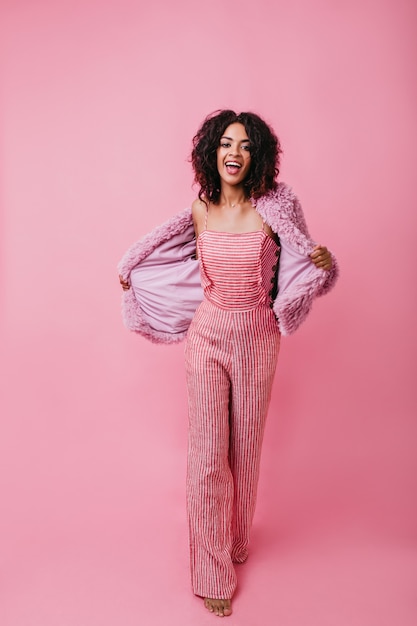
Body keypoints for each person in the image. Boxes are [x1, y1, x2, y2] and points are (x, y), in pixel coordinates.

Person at [118, 110, 338, 617]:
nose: (233, 153)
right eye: (224, 144)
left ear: (256, 154)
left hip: (258, 338)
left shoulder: (276, 209)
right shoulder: (200, 210)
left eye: (243, 145)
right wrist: (136, 275)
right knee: (206, 455)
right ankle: (211, 569)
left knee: (244, 449)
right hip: (208, 335)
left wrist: (323, 265)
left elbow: (305, 263)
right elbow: (169, 259)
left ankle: (237, 540)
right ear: (211, 153)